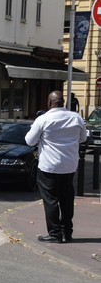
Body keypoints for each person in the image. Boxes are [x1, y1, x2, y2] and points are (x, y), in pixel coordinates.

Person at [25, 91, 87, 243]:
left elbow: (30, 141)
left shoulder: (43, 119)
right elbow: (83, 138)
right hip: (70, 166)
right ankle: (67, 232)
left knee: (51, 200)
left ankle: (55, 234)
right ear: (63, 102)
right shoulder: (76, 118)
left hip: (49, 167)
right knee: (67, 199)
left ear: (49, 102)